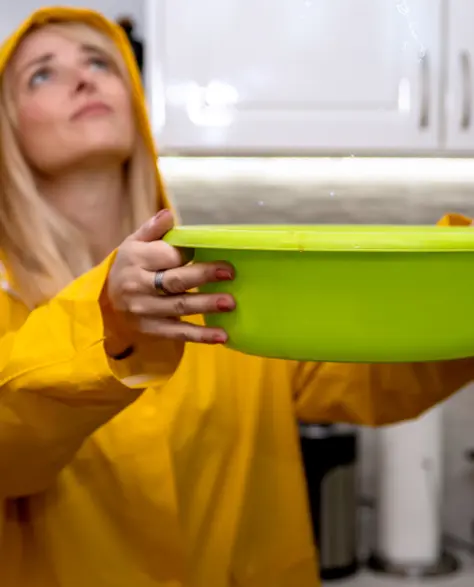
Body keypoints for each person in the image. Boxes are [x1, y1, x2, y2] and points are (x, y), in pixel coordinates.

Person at [0, 7, 473, 587]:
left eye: (101, 62)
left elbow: (364, 375)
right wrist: (108, 325)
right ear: (9, 128)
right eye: (41, 74)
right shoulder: (6, 305)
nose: (83, 78)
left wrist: (461, 301)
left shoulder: (220, 275)